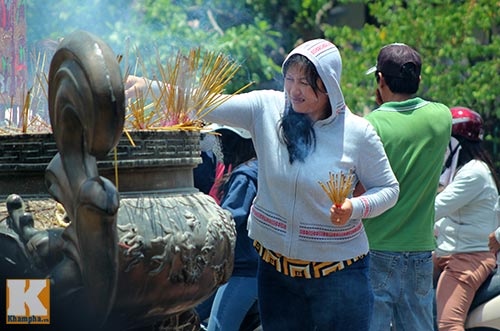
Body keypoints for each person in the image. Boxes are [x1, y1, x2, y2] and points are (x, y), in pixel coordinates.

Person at [126, 38, 400, 331]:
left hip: (338, 277)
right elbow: (207, 100)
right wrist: (150, 86)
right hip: (275, 273)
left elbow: (388, 190)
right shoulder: (266, 108)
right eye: (290, 79)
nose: (294, 90)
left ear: (329, 83)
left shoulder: (358, 133)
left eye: (305, 83)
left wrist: (354, 207)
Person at [362, 43, 452, 331]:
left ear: (380, 80)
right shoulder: (442, 117)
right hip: (420, 253)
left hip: (375, 249)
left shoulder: (370, 125)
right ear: (419, 80)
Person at [433, 107, 499, 331]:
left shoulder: (473, 173)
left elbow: (435, 208)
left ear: (455, 142)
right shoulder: (461, 171)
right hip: (450, 251)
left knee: (448, 325)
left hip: (468, 257)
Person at [195, 124, 259, 331]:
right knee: (190, 315)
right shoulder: (259, 168)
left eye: (223, 140)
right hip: (254, 269)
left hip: (244, 272)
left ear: (236, 141)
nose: (219, 146)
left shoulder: (244, 175)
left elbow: (229, 218)